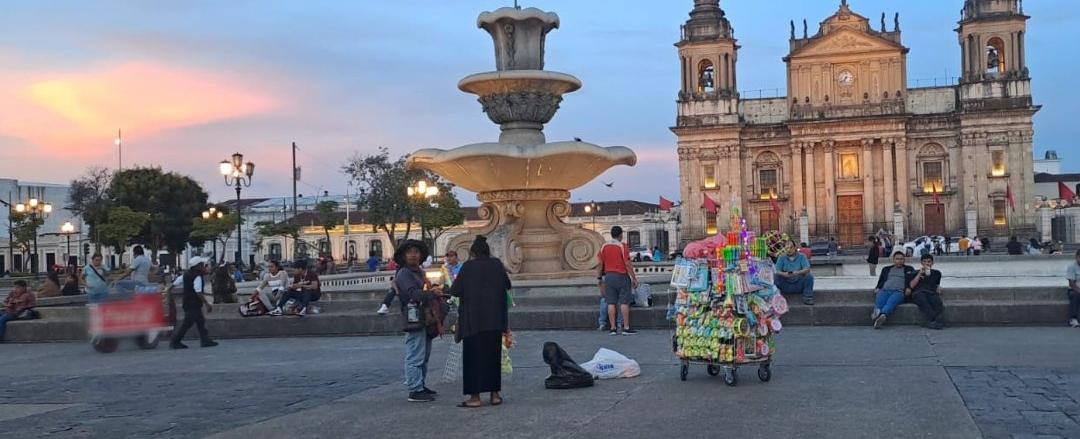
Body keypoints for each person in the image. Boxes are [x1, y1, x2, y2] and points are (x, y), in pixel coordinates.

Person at [450, 236, 512, 408]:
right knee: (493, 357)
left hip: (473, 321)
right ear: (488, 250)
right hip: (494, 320)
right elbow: (507, 285)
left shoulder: (468, 267)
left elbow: (455, 290)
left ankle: (475, 397)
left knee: (473, 359)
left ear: (473, 252)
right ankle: (495, 395)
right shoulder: (497, 265)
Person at [394, 239, 441, 402]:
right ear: (403, 256)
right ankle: (415, 388)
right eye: (409, 252)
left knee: (424, 353)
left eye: (416, 252)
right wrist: (431, 294)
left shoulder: (418, 271)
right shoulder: (404, 273)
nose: (413, 255)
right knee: (415, 353)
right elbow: (413, 293)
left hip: (424, 316)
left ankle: (420, 383)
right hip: (414, 316)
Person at [597, 226, 639, 336]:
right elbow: (627, 263)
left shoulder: (604, 247)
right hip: (621, 276)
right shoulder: (622, 246)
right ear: (620, 235)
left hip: (609, 276)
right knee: (624, 302)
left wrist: (599, 278)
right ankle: (625, 327)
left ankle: (612, 328)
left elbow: (600, 264)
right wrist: (633, 277)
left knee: (611, 302)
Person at [169, 257, 218, 349]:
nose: (203, 266)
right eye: (202, 265)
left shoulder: (186, 274)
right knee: (187, 323)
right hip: (193, 303)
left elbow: (175, 283)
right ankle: (175, 341)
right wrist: (207, 304)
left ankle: (205, 340)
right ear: (198, 266)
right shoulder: (197, 276)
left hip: (187, 301)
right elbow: (198, 292)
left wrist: (168, 290)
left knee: (200, 321)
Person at [871, 251, 915, 329]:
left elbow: (913, 281)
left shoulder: (909, 269)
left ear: (904, 260)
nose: (899, 261)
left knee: (891, 302)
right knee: (880, 301)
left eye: (901, 259)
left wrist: (909, 288)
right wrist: (877, 288)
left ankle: (883, 315)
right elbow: (881, 281)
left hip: (899, 291)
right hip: (885, 290)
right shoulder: (886, 269)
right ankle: (877, 313)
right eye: (897, 259)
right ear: (893, 260)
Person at [910, 254, 944, 329]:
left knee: (937, 302)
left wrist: (939, 287)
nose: (927, 264)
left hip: (931, 292)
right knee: (923, 301)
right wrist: (920, 274)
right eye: (924, 262)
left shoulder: (937, 273)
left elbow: (936, 284)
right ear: (921, 263)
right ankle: (932, 321)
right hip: (918, 292)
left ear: (932, 263)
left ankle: (935, 321)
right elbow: (912, 286)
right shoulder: (915, 273)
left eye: (929, 262)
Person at [775, 241, 815, 305]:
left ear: (795, 247)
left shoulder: (802, 256)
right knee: (777, 277)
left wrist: (797, 273)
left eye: (791, 247)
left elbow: (807, 269)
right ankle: (778, 298)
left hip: (798, 284)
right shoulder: (781, 257)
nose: (789, 250)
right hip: (786, 284)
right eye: (787, 248)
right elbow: (776, 270)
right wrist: (784, 274)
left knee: (809, 277)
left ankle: (808, 298)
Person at [1066, 250, 1080, 328]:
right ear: (1076, 257)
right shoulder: (1072, 267)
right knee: (1076, 295)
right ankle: (1073, 319)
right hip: (1074, 290)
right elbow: (1071, 283)